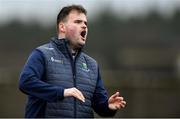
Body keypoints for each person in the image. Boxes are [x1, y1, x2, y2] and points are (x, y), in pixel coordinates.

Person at [19, 4, 126, 118]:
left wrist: (108, 107)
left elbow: (99, 105)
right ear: (62, 27)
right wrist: (62, 92)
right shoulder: (42, 54)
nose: (84, 26)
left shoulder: (92, 65)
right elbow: (26, 82)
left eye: (85, 23)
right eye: (78, 22)